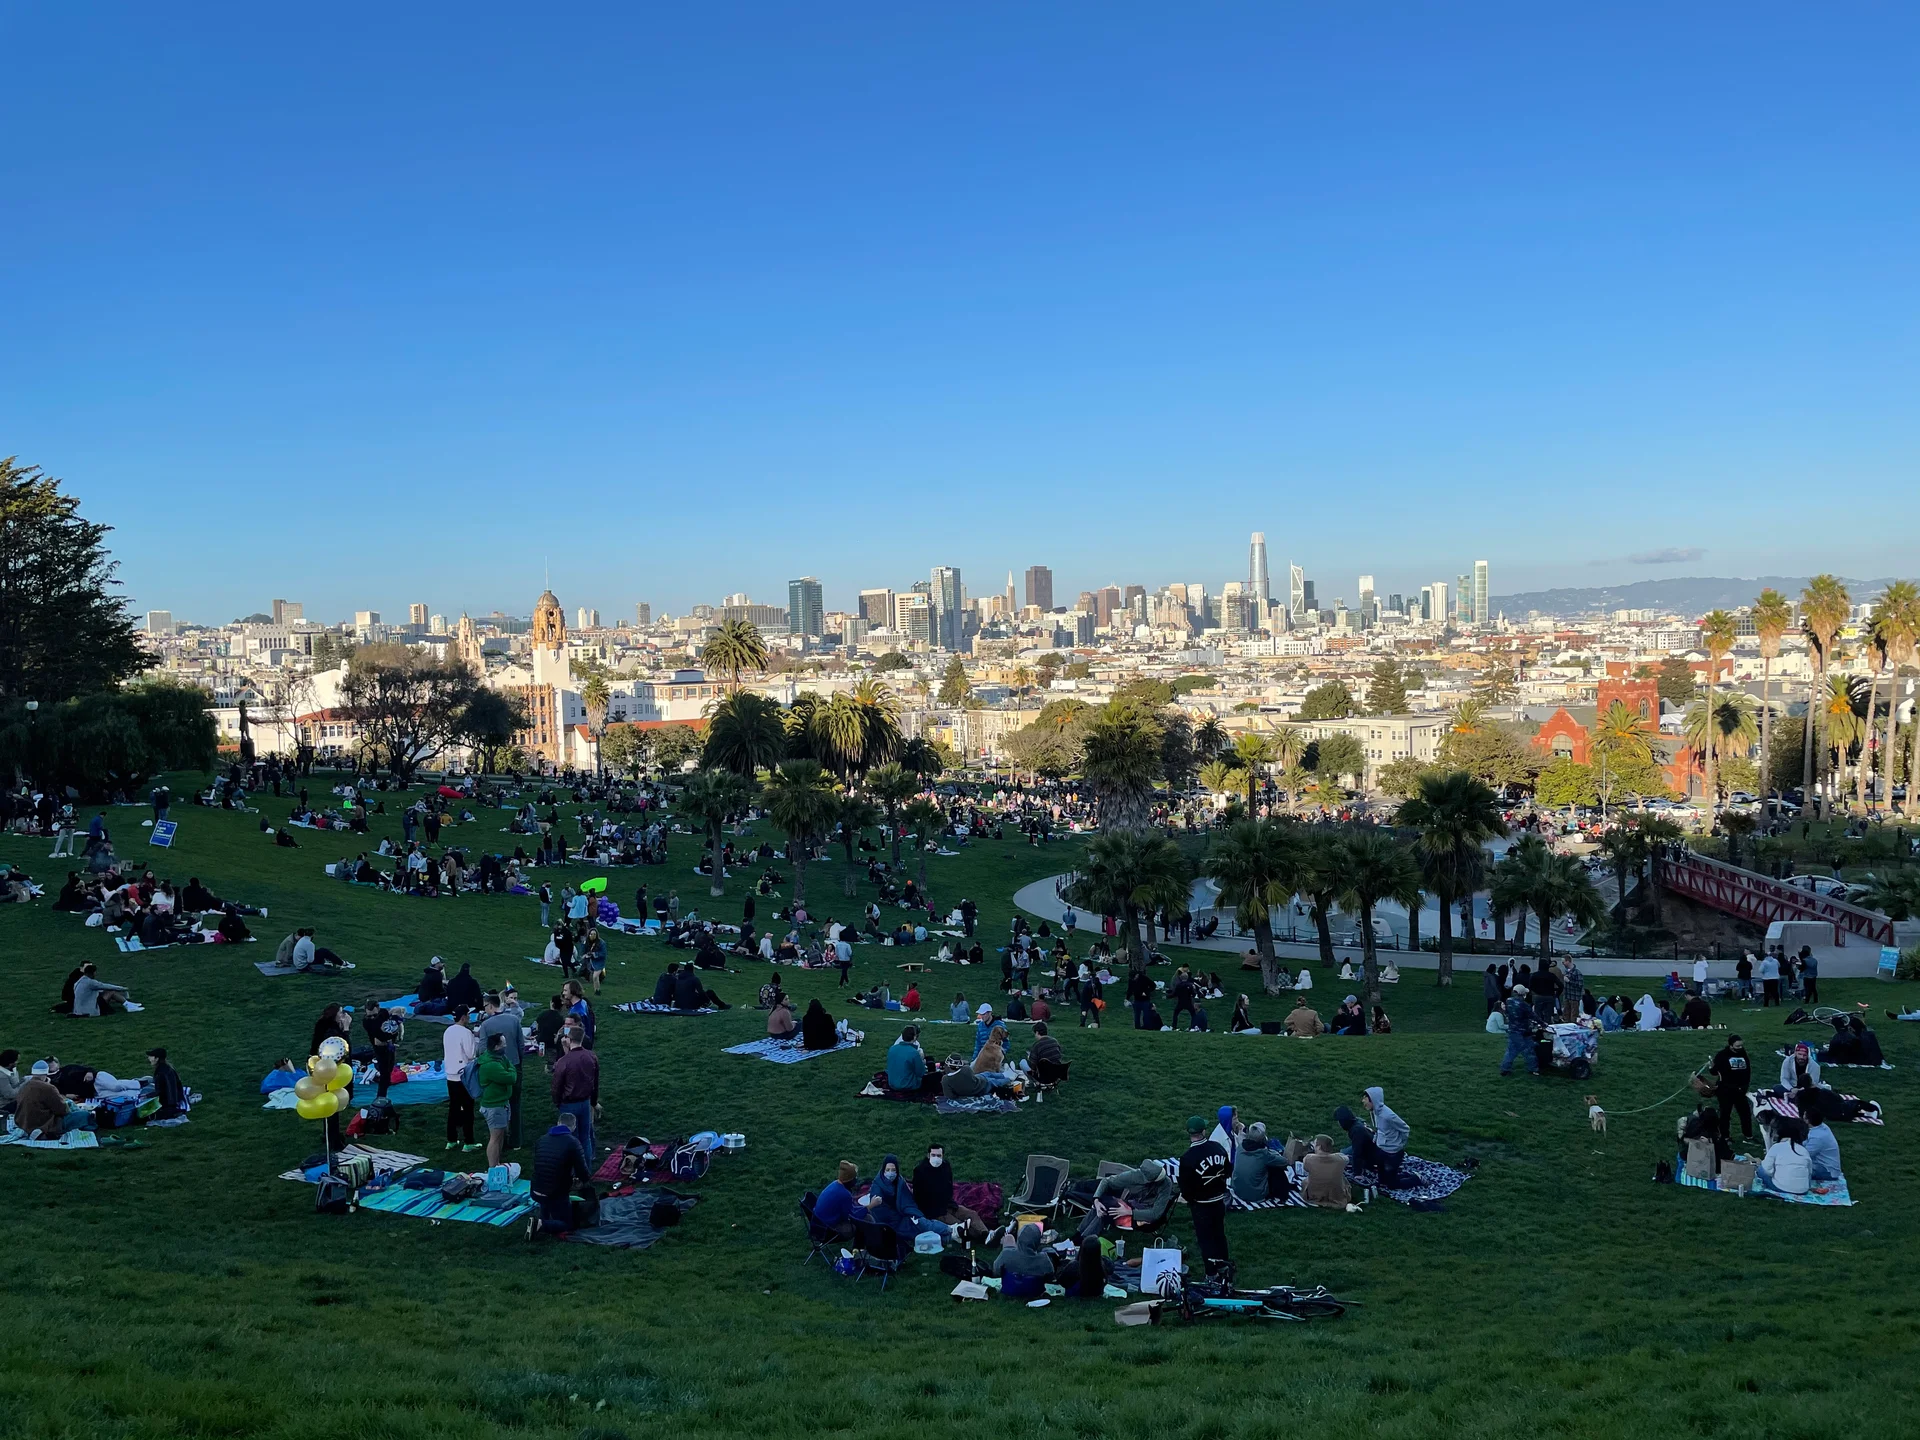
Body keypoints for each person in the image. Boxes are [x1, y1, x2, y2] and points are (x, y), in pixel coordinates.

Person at [1177, 1114, 1232, 1280]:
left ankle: (1211, 1273)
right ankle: (1224, 1266)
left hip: (1201, 1205)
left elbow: (1186, 1189)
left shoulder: (1187, 1158)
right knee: (1219, 1234)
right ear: (1204, 1131)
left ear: (1189, 1133)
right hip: (1219, 1201)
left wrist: (1190, 1199)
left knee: (1205, 1239)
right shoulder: (1217, 1148)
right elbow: (1227, 1171)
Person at [530, 1109, 597, 1236]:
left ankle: (543, 1217)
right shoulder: (573, 1143)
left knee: (547, 1195)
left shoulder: (541, 1139)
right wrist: (583, 1182)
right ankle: (540, 1224)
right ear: (574, 1126)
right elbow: (582, 1171)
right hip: (555, 1192)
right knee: (568, 1224)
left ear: (558, 1123)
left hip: (535, 1189)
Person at [864, 1153, 955, 1243]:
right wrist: (899, 1218)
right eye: (888, 1170)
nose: (890, 1173)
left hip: (904, 1216)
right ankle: (950, 1235)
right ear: (883, 1170)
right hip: (891, 1223)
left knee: (921, 1223)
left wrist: (912, 1213)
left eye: (893, 1170)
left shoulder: (899, 1182)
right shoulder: (877, 1187)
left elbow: (907, 1201)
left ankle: (950, 1230)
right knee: (917, 1233)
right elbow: (880, 1212)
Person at [477, 992, 527, 1147]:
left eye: (485, 1006)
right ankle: (516, 1141)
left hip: (496, 1069)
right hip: (514, 1065)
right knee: (515, 1103)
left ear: (491, 1006)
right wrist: (518, 1062)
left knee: (499, 1105)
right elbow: (521, 1044)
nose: (484, 1009)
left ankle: (501, 1140)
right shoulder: (514, 1020)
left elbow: (482, 1049)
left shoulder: (486, 1025)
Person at [550, 1029, 600, 1167]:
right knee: (585, 1138)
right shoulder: (591, 1056)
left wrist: (557, 1102)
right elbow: (595, 1082)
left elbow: (556, 1086)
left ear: (568, 1039)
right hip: (585, 1102)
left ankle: (573, 1171)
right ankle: (586, 1170)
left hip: (568, 1104)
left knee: (570, 1139)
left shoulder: (563, 1061)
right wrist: (593, 1101)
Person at [1336, 1086, 1407, 1184]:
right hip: (1380, 1148)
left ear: (1372, 1099)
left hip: (1391, 1152)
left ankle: (1416, 1179)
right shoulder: (1375, 1113)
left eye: (1365, 1098)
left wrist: (1400, 1144)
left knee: (1391, 1184)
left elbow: (1405, 1128)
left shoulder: (1388, 1116)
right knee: (1383, 1180)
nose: (1363, 1101)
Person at [910, 1144, 985, 1234]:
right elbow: (918, 1196)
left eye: (939, 1156)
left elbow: (949, 1187)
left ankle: (986, 1234)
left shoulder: (945, 1166)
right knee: (959, 1225)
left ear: (942, 1156)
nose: (936, 1158)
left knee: (972, 1214)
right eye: (933, 1155)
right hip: (934, 1210)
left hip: (948, 1204)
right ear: (928, 1155)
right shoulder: (920, 1171)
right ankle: (977, 1236)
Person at [13, 1061, 90, 1140]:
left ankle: (34, 1131)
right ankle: (44, 1131)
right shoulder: (48, 1088)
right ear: (46, 1073)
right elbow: (62, 1110)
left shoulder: (24, 1086)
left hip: (23, 1122)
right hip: (43, 1122)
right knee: (85, 1115)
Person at [443, 1009, 479, 1151]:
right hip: (464, 1076)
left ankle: (451, 1140)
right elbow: (470, 1054)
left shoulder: (448, 1031)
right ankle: (468, 1142)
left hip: (450, 1075)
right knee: (468, 1109)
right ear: (463, 1017)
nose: (470, 1017)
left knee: (454, 1108)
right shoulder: (466, 1032)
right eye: (468, 1015)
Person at [1230, 1121, 1291, 1204]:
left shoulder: (1240, 1147)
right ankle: (1283, 1195)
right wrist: (1273, 1153)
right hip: (1256, 1195)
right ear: (1264, 1138)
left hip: (1237, 1190)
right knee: (1276, 1168)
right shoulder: (1263, 1154)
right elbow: (1284, 1162)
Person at [1707, 1035, 1754, 1143]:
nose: (1740, 1048)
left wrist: (1745, 1086)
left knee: (1745, 1114)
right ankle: (1725, 1137)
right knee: (1725, 1114)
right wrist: (1711, 1067)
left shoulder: (1743, 1053)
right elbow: (1714, 1072)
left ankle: (1748, 1135)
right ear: (1731, 1045)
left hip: (1740, 1090)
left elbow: (1748, 1070)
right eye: (1737, 1046)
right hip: (1725, 1090)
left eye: (1741, 1045)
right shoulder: (1722, 1055)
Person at [1758, 1119, 1812, 1196]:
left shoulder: (1777, 1147)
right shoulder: (1804, 1150)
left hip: (1781, 1187)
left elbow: (1767, 1170)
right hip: (1803, 1190)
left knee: (1760, 1169)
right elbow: (1809, 1172)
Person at [362, 1003, 403, 1099]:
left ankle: (384, 1093)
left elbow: (392, 1026)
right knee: (384, 1073)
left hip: (389, 1044)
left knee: (389, 1070)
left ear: (378, 1009)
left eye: (374, 1015)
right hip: (380, 1048)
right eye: (369, 1015)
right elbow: (380, 1036)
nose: (372, 1017)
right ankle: (381, 1097)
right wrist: (390, 1035)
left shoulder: (384, 1013)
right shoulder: (367, 1022)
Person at [813, 1160, 861, 1241]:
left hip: (817, 1225)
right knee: (862, 1223)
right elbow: (850, 1216)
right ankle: (861, 1247)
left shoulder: (835, 1184)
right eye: (854, 1178)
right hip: (827, 1231)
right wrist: (869, 1206)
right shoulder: (844, 1194)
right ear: (849, 1180)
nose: (856, 1180)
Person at [1302, 1134, 1351, 1209]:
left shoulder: (1308, 1158)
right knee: (1343, 1178)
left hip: (1314, 1195)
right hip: (1336, 1196)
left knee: (1305, 1181)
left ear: (1319, 1147)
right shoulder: (1340, 1159)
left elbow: (1305, 1168)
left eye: (1314, 1144)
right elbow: (1347, 1159)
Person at [885, 1026, 936, 1096]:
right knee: (935, 1077)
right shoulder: (913, 1052)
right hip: (908, 1085)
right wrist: (922, 1063)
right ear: (914, 1037)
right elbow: (921, 1073)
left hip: (892, 1083)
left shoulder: (892, 1048)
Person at [1499, 985, 1538, 1076]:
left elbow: (1507, 1012)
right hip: (1524, 1031)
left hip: (1512, 1030)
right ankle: (1533, 1069)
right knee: (1528, 1050)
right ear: (1522, 994)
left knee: (1511, 1051)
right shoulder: (1524, 1005)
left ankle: (1505, 1069)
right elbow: (1533, 1016)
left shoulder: (1508, 1001)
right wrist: (1544, 1024)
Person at [146, 1047, 187, 1120]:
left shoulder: (160, 1072)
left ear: (157, 1058)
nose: (149, 1058)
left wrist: (146, 1096)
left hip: (169, 1103)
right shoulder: (167, 1068)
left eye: (151, 1056)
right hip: (174, 1100)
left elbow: (160, 1092)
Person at [1802, 1117, 1842, 1182]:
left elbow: (1804, 1155)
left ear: (1808, 1120)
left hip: (1827, 1171)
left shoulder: (1817, 1137)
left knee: (1796, 1168)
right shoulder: (1822, 1127)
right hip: (1827, 1166)